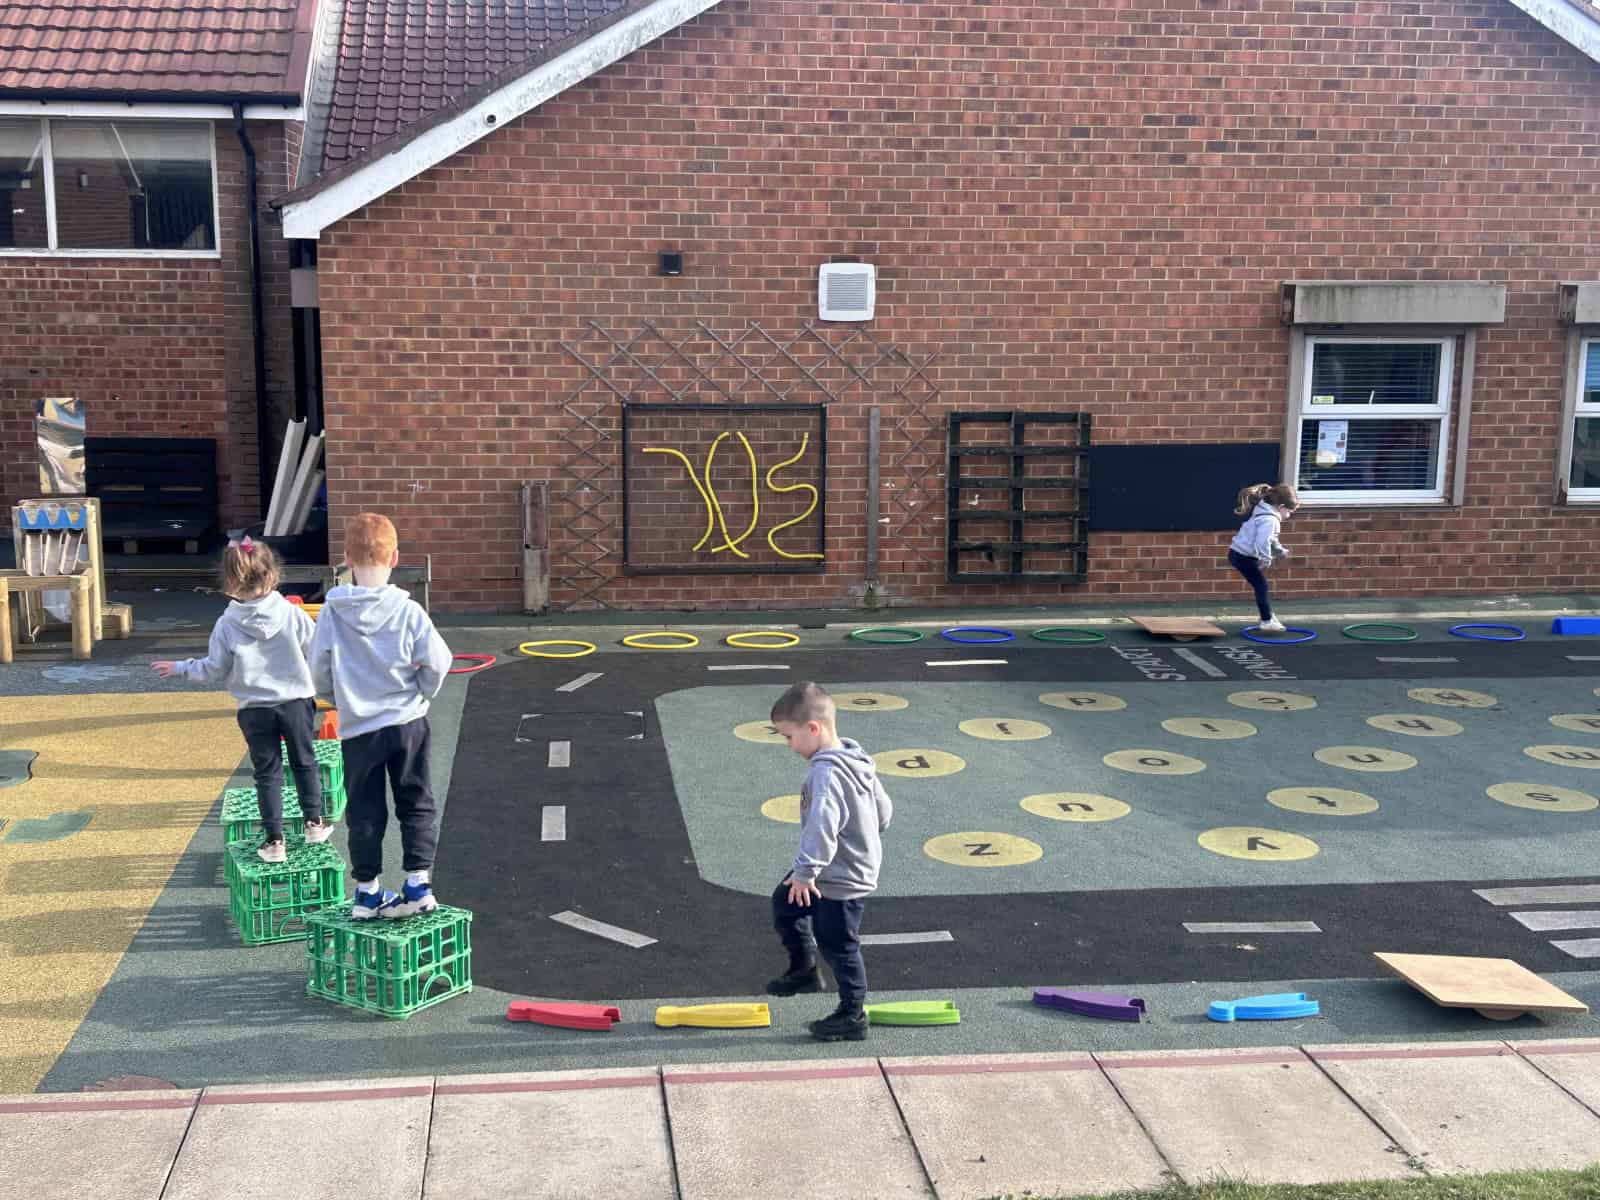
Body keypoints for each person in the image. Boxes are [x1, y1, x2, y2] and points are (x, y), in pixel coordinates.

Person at [153, 537, 331, 863]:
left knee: (267, 772)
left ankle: (274, 840)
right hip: (295, 701)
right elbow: (318, 650)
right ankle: (314, 823)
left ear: (231, 582)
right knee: (304, 761)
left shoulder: (227, 624)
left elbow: (214, 668)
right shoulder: (291, 614)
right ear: (272, 575)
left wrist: (180, 667)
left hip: (254, 709)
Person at [310, 513, 453, 919]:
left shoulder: (332, 613)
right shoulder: (408, 611)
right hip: (407, 721)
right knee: (416, 799)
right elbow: (438, 661)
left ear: (346, 559)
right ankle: (418, 884)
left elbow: (317, 669)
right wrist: (422, 692)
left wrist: (339, 698)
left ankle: (367, 892)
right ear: (394, 559)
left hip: (359, 728)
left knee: (364, 810)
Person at [765, 681, 893, 1042]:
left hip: (840, 877)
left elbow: (822, 825)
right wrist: (867, 830)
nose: (789, 746)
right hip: (836, 866)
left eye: (789, 737)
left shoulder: (826, 772)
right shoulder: (856, 758)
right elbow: (884, 811)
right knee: (785, 903)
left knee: (838, 944)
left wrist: (805, 872)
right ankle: (804, 969)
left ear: (812, 728)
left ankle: (852, 1014)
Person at [1229, 482, 1298, 633]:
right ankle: (1266, 621)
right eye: (1289, 511)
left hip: (1239, 553)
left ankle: (1268, 616)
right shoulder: (1270, 520)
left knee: (1260, 585)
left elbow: (1271, 539)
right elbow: (1263, 541)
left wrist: (1279, 551)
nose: (1289, 515)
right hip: (1243, 556)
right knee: (1261, 586)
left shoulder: (1264, 512)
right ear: (1281, 507)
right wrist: (1266, 559)